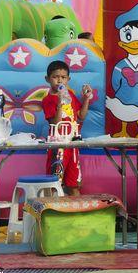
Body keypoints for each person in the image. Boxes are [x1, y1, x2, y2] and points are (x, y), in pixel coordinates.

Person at [42, 61, 93, 195]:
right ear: (47, 79)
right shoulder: (48, 100)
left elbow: (81, 116)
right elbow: (55, 122)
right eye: (55, 77)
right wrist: (59, 103)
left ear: (68, 79)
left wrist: (86, 99)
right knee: (54, 182)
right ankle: (53, 213)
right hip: (58, 145)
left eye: (63, 77)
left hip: (72, 144)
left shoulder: (70, 96)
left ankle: (77, 214)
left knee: (74, 183)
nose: (59, 80)